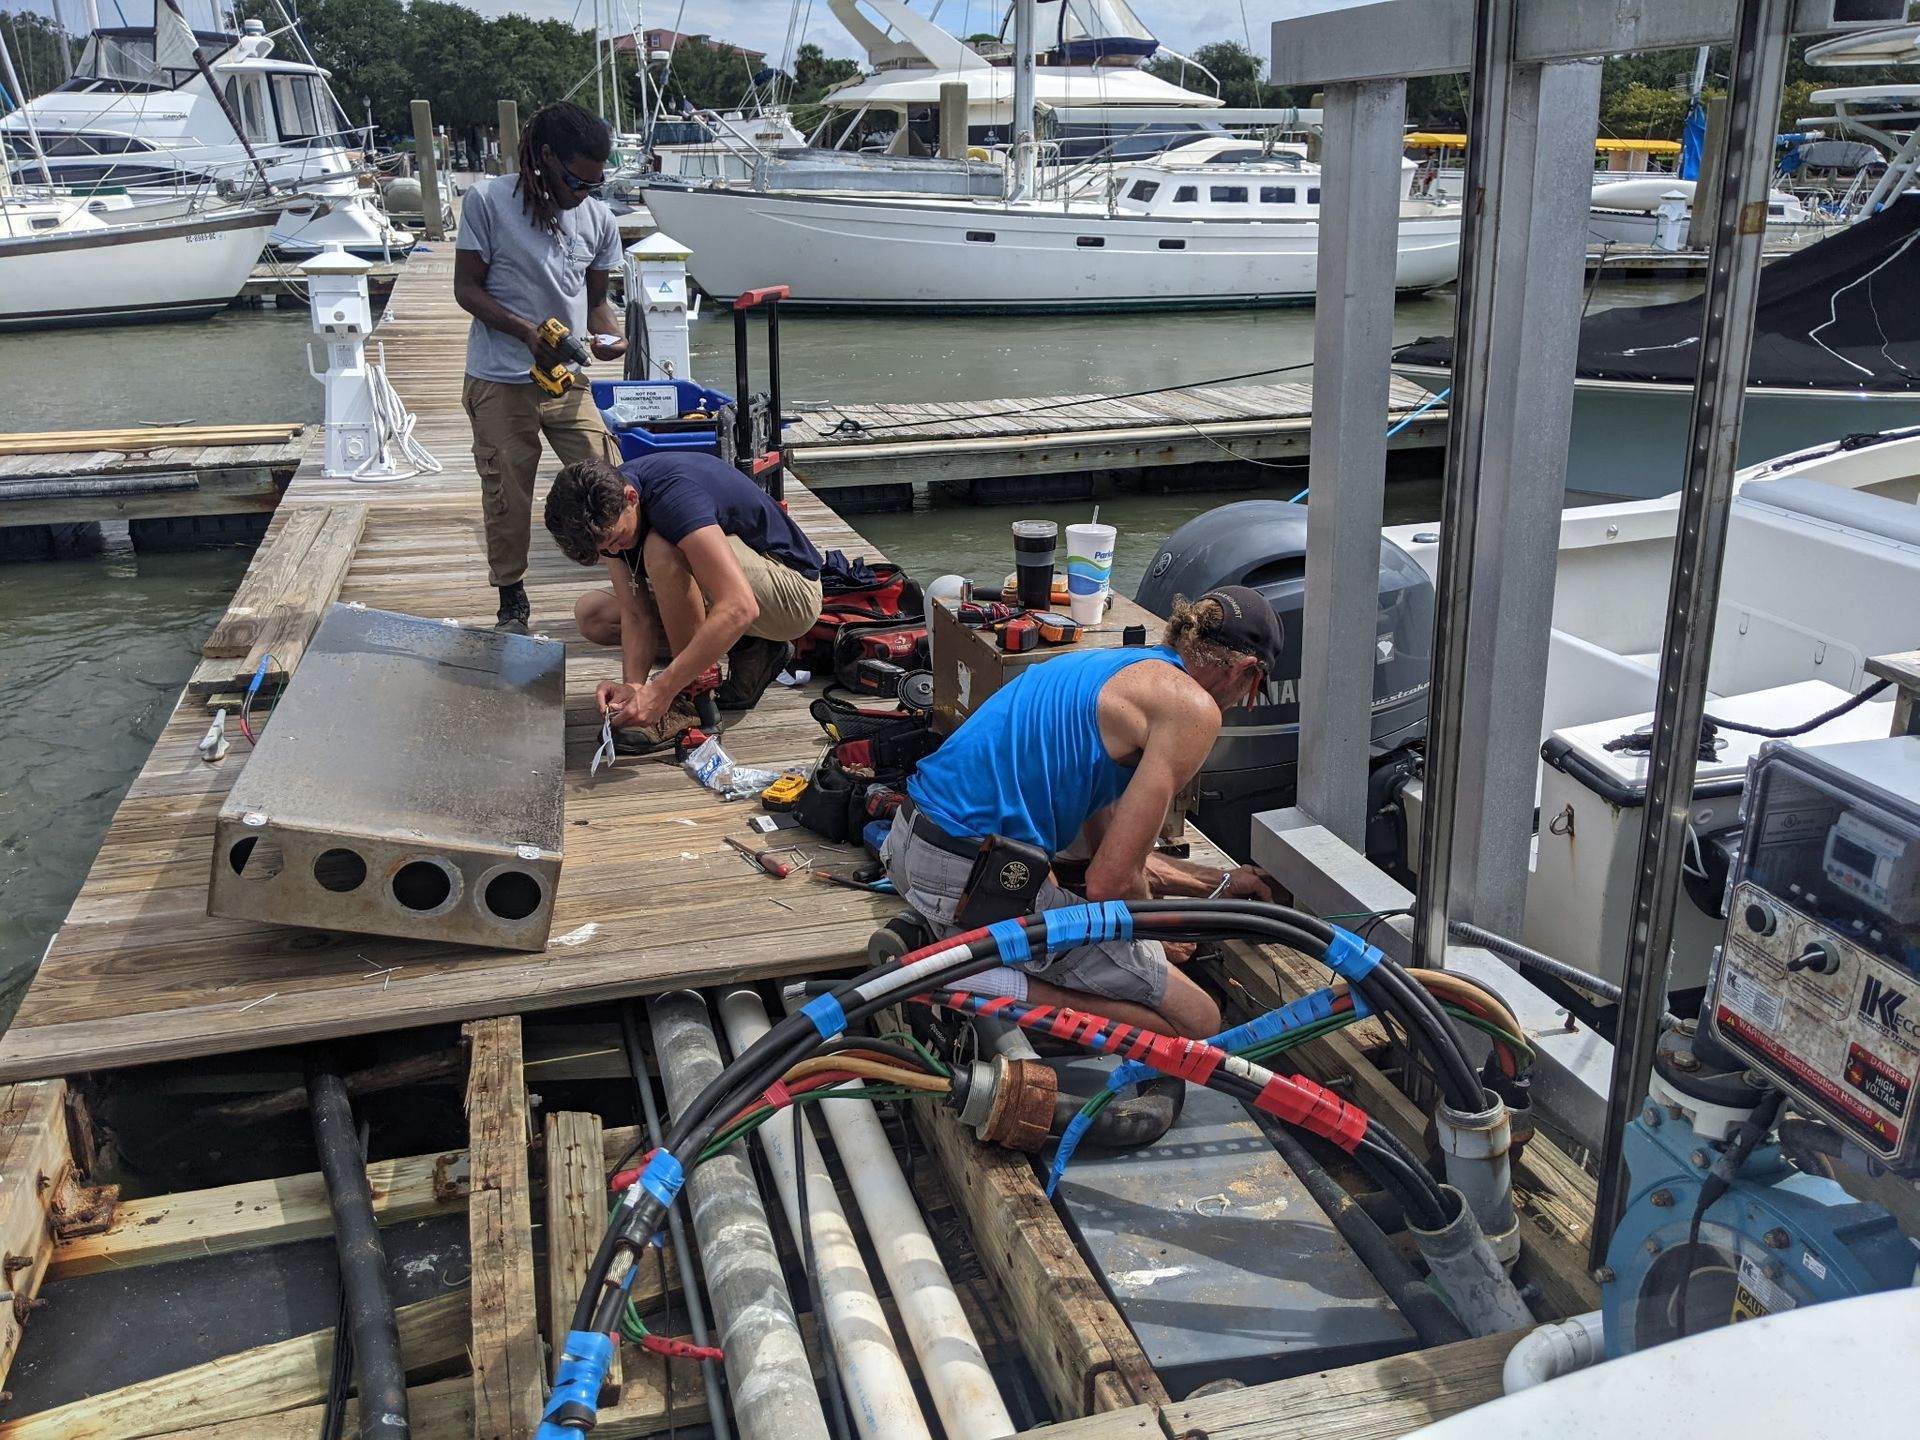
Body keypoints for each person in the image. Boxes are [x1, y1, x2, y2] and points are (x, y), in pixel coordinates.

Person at [882, 587, 1286, 1038]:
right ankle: (978, 979)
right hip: (973, 879)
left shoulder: (1114, 669)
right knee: (1198, 1020)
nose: (1243, 703)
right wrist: (1157, 939)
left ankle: (949, 946)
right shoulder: (1193, 708)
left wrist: (1220, 882)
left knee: (1108, 927)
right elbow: (1109, 884)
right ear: (1247, 670)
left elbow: (1110, 858)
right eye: (1255, 689)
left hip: (907, 844)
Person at [453, 101, 627, 635]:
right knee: (508, 490)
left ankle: (633, 580)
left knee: (612, 479)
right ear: (545, 157)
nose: (585, 194)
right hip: (500, 378)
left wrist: (609, 336)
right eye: (577, 181)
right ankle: (511, 597)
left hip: (566, 380)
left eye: (595, 184)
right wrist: (525, 333)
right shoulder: (487, 201)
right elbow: (466, 289)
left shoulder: (598, 217)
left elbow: (596, 302)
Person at [544, 453, 826, 746]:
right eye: (607, 549)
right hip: (736, 588)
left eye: (618, 539)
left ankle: (689, 701)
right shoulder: (608, 510)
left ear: (631, 498)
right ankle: (751, 647)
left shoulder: (674, 498)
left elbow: (740, 605)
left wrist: (663, 690)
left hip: (793, 593)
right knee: (594, 615)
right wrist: (634, 686)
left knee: (660, 549)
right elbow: (636, 614)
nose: (615, 550)